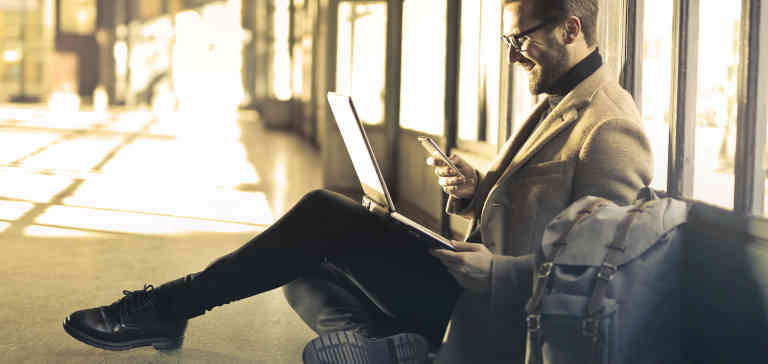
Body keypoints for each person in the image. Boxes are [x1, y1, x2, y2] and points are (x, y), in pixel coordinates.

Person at [62, 0, 652, 363]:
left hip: (497, 306)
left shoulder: (610, 126)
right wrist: (476, 190)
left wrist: (498, 273)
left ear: (571, 28)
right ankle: (390, 347)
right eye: (507, 41)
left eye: (522, 39)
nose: (512, 54)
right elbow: (538, 210)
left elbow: (605, 277)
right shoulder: (557, 99)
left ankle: (168, 307)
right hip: (471, 285)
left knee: (323, 215)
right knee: (299, 270)